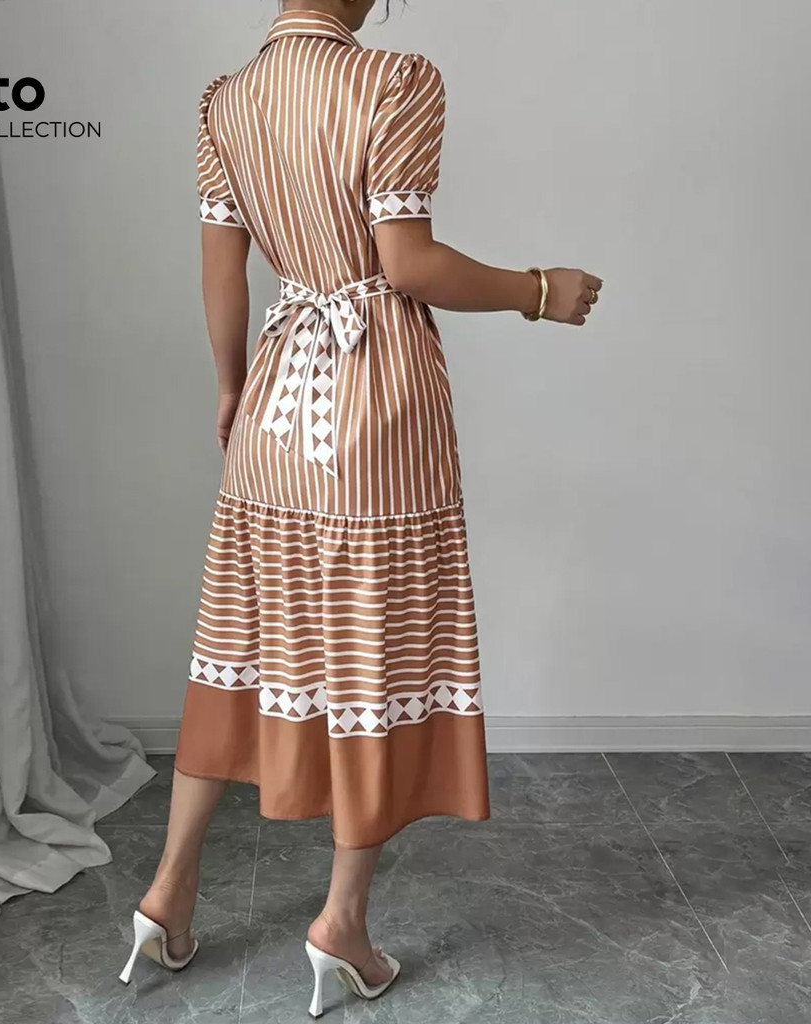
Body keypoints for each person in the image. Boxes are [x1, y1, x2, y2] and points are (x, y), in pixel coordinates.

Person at [120, 0, 602, 1014]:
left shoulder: (226, 102)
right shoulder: (393, 81)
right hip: (373, 402)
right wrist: (537, 289)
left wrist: (228, 386)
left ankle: (166, 892)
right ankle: (340, 923)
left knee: (240, 640)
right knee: (371, 651)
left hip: (272, 403)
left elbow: (221, 265)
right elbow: (406, 263)